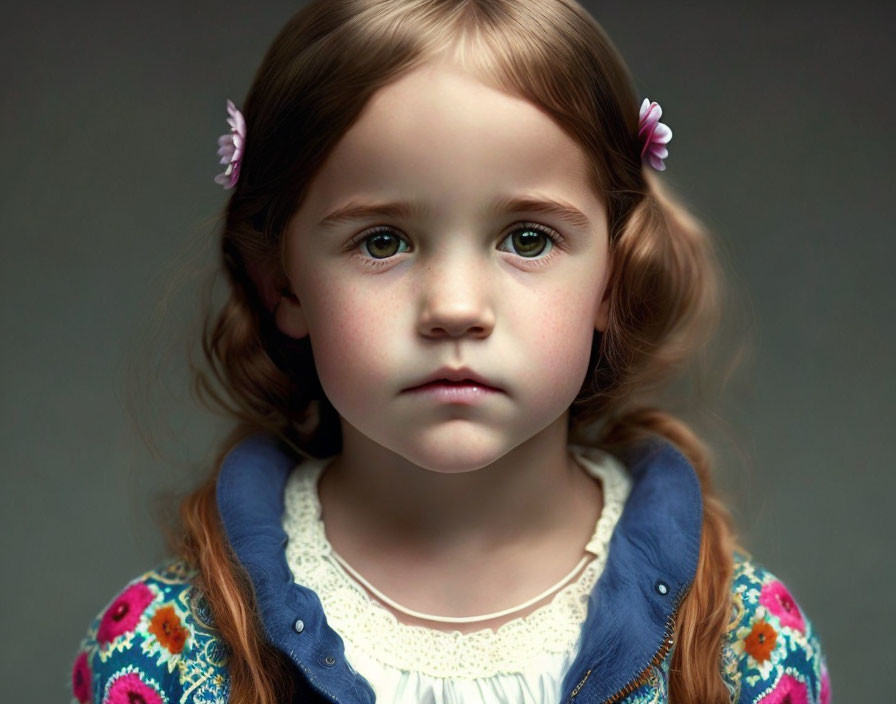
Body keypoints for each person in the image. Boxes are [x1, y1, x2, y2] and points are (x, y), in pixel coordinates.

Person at [69, 1, 831, 703]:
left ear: (614, 275)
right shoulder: (164, 647)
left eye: (528, 238)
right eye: (383, 241)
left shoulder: (743, 644)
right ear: (283, 285)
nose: (456, 309)